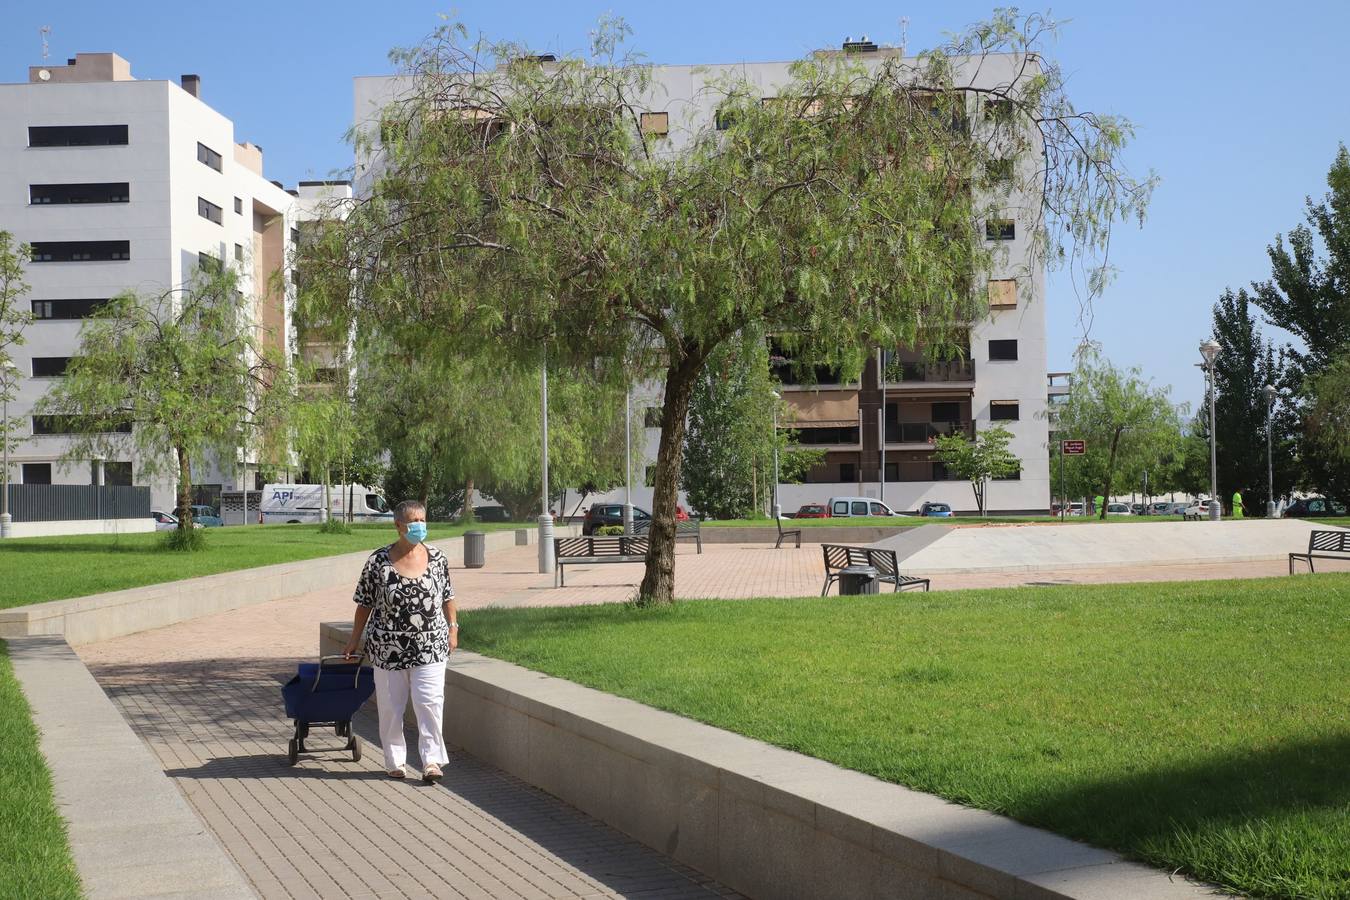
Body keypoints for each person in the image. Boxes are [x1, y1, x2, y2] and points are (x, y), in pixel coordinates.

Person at [343, 500, 458, 782]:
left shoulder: (438, 558)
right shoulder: (378, 561)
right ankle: (395, 761)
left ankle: (431, 762)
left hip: (430, 646)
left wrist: (453, 629)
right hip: (387, 649)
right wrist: (354, 640)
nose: (419, 525)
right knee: (391, 708)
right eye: (413, 521)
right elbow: (364, 605)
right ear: (398, 525)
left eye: (422, 519)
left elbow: (448, 597)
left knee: (429, 703)